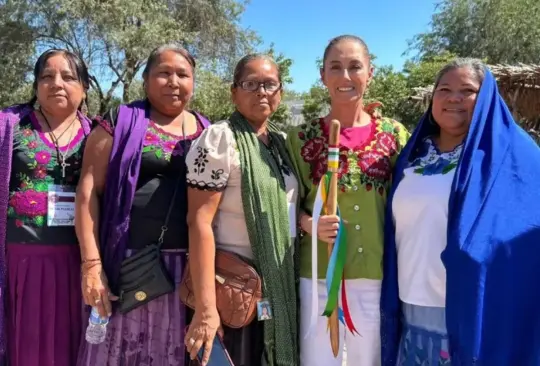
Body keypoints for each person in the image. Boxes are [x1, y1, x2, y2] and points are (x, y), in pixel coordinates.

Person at [381, 58, 540, 365]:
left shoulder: (512, 154)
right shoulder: (413, 156)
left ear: (486, 99)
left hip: (473, 306)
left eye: (467, 90)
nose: (454, 97)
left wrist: (477, 254)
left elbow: (528, 221)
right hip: (410, 302)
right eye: (444, 89)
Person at [75, 44, 210, 366]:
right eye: (163, 73)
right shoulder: (118, 121)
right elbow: (88, 192)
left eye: (183, 74)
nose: (173, 81)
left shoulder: (207, 131)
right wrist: (92, 266)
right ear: (146, 80)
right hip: (126, 265)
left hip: (186, 272)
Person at [285, 35, 409, 366]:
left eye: (355, 67)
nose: (345, 77)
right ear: (322, 75)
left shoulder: (394, 136)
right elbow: (284, 201)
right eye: (335, 67)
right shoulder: (300, 139)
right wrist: (307, 223)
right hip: (318, 277)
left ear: (370, 72)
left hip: (375, 275)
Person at [184, 54, 299, 366]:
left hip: (275, 286)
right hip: (231, 291)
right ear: (234, 92)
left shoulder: (280, 143)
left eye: (269, 84)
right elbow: (199, 223)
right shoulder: (220, 140)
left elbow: (285, 203)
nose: (261, 91)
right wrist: (207, 309)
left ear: (280, 93)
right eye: (250, 84)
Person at [0, 49, 92, 366]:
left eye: (68, 76)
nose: (57, 83)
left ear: (84, 86)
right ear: (36, 85)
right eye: (47, 76)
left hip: (77, 262)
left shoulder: (97, 134)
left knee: (74, 345)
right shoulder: (10, 126)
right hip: (22, 261)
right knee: (25, 345)